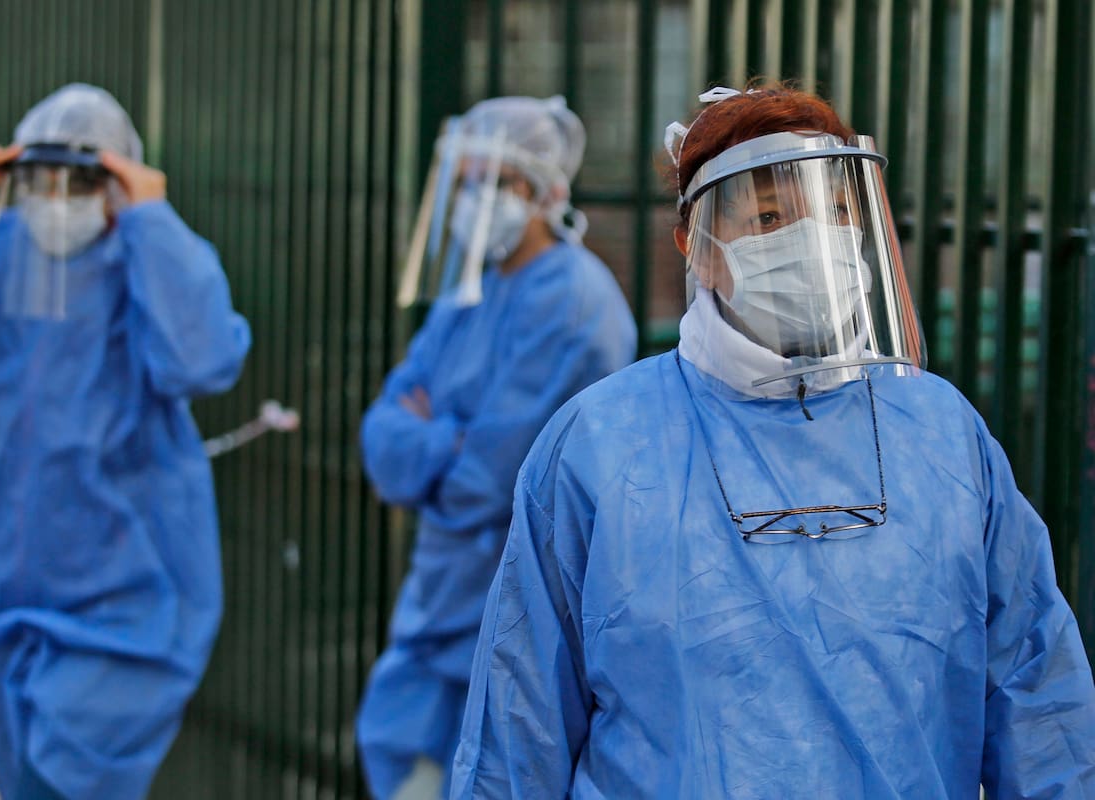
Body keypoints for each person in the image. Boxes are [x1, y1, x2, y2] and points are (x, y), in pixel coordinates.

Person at [449, 84, 1095, 798]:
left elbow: (1041, 707)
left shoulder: (942, 433)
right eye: (768, 217)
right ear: (698, 248)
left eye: (840, 212)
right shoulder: (598, 446)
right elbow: (519, 732)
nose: (816, 241)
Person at [0, 83, 251, 799]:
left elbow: (204, 359)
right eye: (42, 177)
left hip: (119, 612)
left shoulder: (144, 268)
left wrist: (150, 218)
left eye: (83, 178)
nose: (59, 198)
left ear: (118, 182)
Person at [355, 95, 637, 800]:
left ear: (541, 190)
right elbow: (382, 434)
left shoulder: (573, 302)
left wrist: (438, 439)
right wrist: (443, 442)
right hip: (443, 600)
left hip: (523, 607)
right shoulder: (468, 296)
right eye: (465, 181)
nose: (473, 200)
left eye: (492, 182)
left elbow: (489, 479)